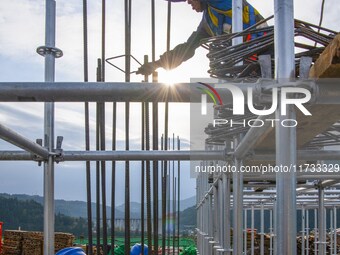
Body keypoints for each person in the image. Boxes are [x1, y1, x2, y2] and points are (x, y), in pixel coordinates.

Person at [136, 0, 265, 76]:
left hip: (264, 47)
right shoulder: (207, 24)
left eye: (190, 1)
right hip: (247, 65)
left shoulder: (219, 2)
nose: (191, 5)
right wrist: (157, 64)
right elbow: (187, 48)